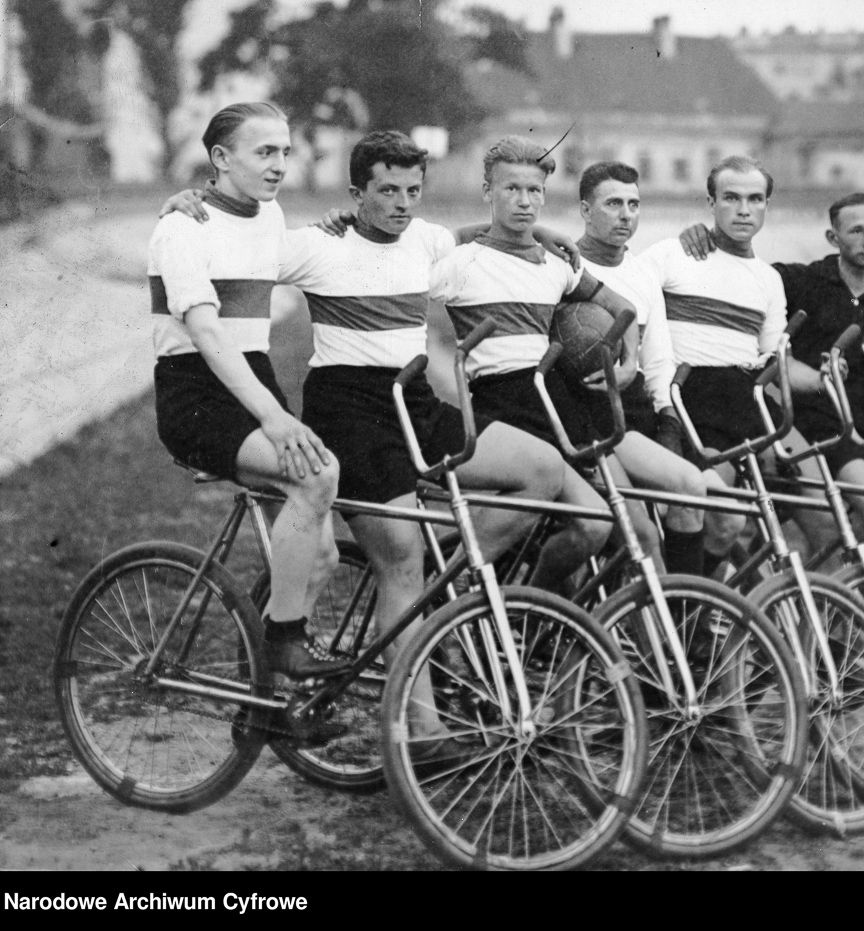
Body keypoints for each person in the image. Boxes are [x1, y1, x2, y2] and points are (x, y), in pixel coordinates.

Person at [160, 130, 568, 722]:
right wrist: (185, 203)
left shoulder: (428, 239)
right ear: (357, 194)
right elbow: (234, 245)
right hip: (351, 413)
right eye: (387, 191)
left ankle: (445, 583)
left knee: (543, 471)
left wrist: (545, 237)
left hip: (415, 402)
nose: (402, 203)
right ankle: (421, 730)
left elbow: (486, 238)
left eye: (412, 191)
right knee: (400, 560)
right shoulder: (317, 246)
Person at [148, 101, 346, 679]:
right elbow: (206, 334)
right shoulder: (180, 227)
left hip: (252, 380)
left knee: (324, 555)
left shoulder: (269, 215)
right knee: (316, 477)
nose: (280, 163)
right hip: (196, 393)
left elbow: (283, 254)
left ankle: (266, 690)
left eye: (284, 151)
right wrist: (276, 419)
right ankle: (284, 642)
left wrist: (339, 226)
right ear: (221, 157)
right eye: (264, 152)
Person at [682, 191, 864, 548]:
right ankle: (845, 576)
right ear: (833, 237)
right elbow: (740, 269)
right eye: (856, 231)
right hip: (816, 420)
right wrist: (705, 239)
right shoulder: (801, 281)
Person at [429, 136, 641, 595]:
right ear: (487, 191)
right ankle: (448, 588)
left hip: (551, 399)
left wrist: (629, 364)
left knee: (595, 526)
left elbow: (623, 308)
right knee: (535, 514)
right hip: (499, 404)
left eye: (534, 191)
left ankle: (537, 613)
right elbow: (403, 267)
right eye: (511, 189)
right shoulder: (459, 262)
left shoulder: (557, 264)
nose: (524, 201)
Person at [573, 160, 744, 575]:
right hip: (592, 418)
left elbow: (659, 362)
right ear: (585, 210)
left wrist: (668, 423)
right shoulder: (568, 268)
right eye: (613, 203)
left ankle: (689, 604)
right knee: (677, 498)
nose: (626, 215)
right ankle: (673, 608)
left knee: (729, 518)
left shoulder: (643, 273)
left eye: (633, 204)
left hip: (640, 416)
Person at [639, 155, 791, 573]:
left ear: (766, 205)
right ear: (711, 203)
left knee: (796, 490)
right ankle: (688, 602)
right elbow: (627, 300)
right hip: (688, 398)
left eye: (755, 199)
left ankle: (720, 590)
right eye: (731, 198)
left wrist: (819, 372)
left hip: (741, 398)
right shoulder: (674, 253)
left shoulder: (768, 279)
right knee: (723, 520)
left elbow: (772, 357)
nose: (744, 210)